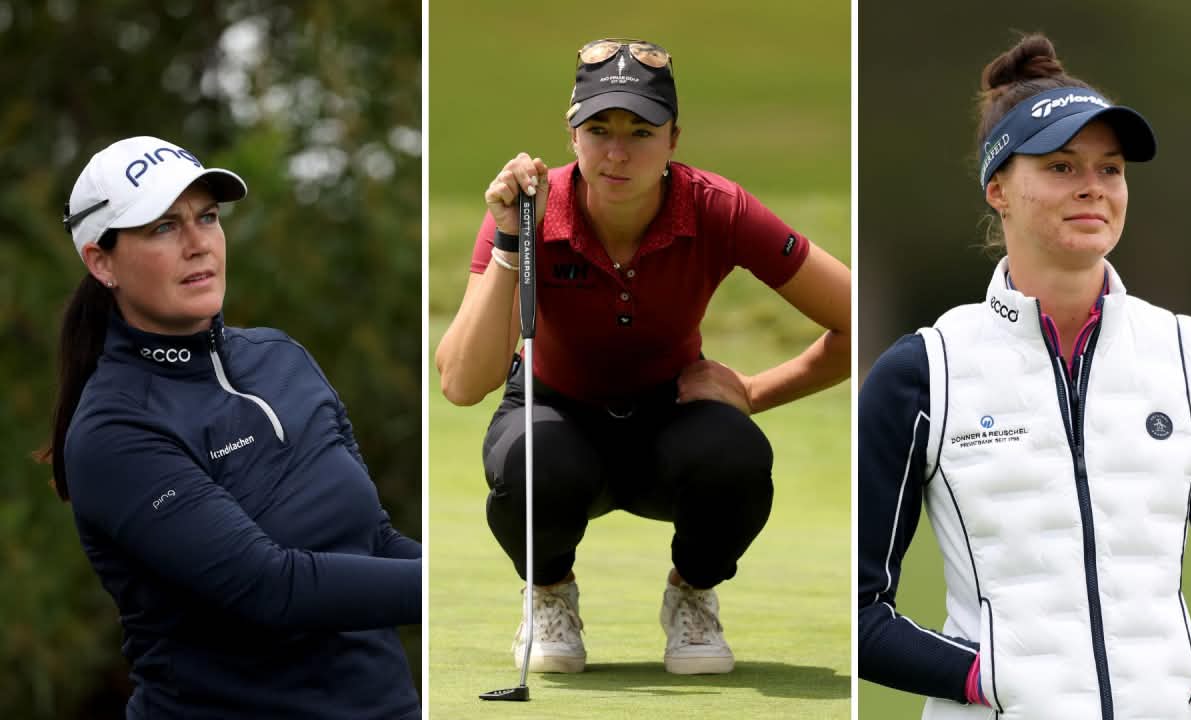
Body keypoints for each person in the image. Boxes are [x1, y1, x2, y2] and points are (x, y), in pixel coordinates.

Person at [858, 33, 1191, 718]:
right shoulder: (924, 371)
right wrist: (985, 682)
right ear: (998, 189)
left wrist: (1190, 667)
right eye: (1059, 166)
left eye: (1110, 168)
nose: (1093, 186)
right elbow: (858, 605)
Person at [435, 37, 851, 675]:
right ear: (571, 134)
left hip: (672, 419)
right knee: (532, 464)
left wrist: (757, 390)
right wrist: (511, 240)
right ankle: (548, 592)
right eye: (598, 128)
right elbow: (463, 384)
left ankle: (691, 593)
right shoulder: (524, 209)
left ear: (674, 139)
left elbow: (860, 317)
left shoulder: (718, 208)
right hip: (554, 417)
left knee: (736, 455)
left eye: (641, 130)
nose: (618, 152)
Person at [41, 135, 422, 719]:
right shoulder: (113, 430)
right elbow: (269, 589)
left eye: (208, 217)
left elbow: (372, 539)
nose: (199, 245)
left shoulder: (282, 357)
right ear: (101, 261)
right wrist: (449, 590)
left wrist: (478, 573)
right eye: (163, 227)